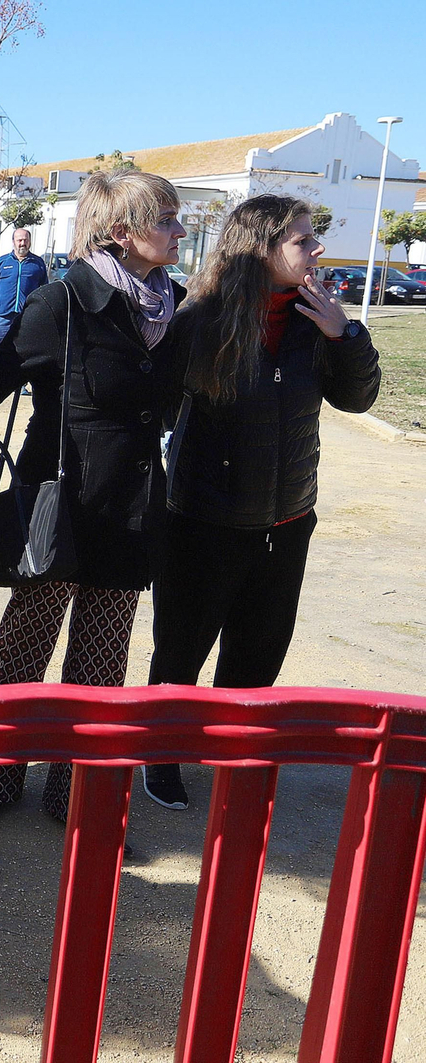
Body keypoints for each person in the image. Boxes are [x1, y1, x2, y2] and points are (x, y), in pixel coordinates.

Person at [144, 195, 380, 809]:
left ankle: (230, 751)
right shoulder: (203, 318)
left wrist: (346, 335)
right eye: (302, 239)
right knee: (182, 649)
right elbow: (154, 405)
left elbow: (357, 399)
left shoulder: (315, 318)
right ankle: (162, 753)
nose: (317, 248)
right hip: (205, 520)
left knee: (258, 651)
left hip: (288, 520)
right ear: (260, 247)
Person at [0, 170, 188, 826]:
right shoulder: (60, 303)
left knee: (102, 660)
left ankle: (73, 795)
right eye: (165, 220)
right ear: (120, 232)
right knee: (24, 645)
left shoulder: (173, 306)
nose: (179, 230)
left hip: (131, 509)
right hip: (60, 507)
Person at [0, 227, 49, 352]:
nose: (22, 243)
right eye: (19, 240)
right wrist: (2, 300)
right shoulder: (2, 262)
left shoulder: (37, 263)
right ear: (13, 242)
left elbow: (43, 288)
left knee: (26, 352)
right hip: (3, 316)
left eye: (25, 240)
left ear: (30, 242)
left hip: (27, 316)